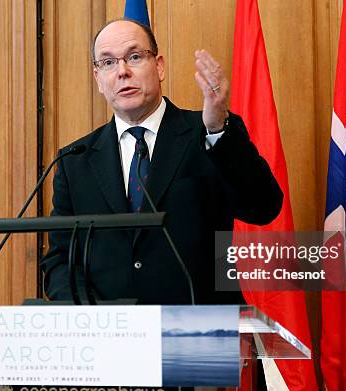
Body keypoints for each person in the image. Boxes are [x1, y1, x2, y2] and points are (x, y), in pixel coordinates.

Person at [41, 18, 283, 305]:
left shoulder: (207, 132)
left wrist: (218, 130)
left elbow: (263, 207)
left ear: (159, 66)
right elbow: (60, 259)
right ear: (98, 79)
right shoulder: (75, 160)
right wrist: (91, 318)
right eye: (108, 63)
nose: (122, 72)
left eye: (134, 57)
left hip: (201, 333)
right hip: (111, 340)